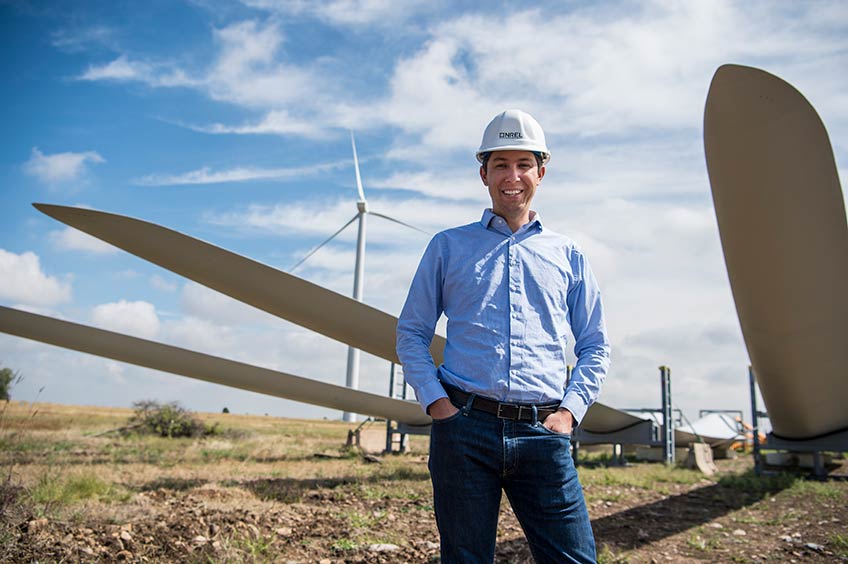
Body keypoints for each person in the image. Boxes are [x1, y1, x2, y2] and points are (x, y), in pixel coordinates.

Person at [396, 109, 610, 563]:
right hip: (464, 429)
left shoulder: (568, 255)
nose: (512, 176)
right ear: (483, 173)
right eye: (500, 165)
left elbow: (595, 345)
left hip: (544, 431)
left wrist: (569, 413)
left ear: (541, 172)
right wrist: (438, 404)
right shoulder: (447, 246)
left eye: (523, 164)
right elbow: (412, 331)